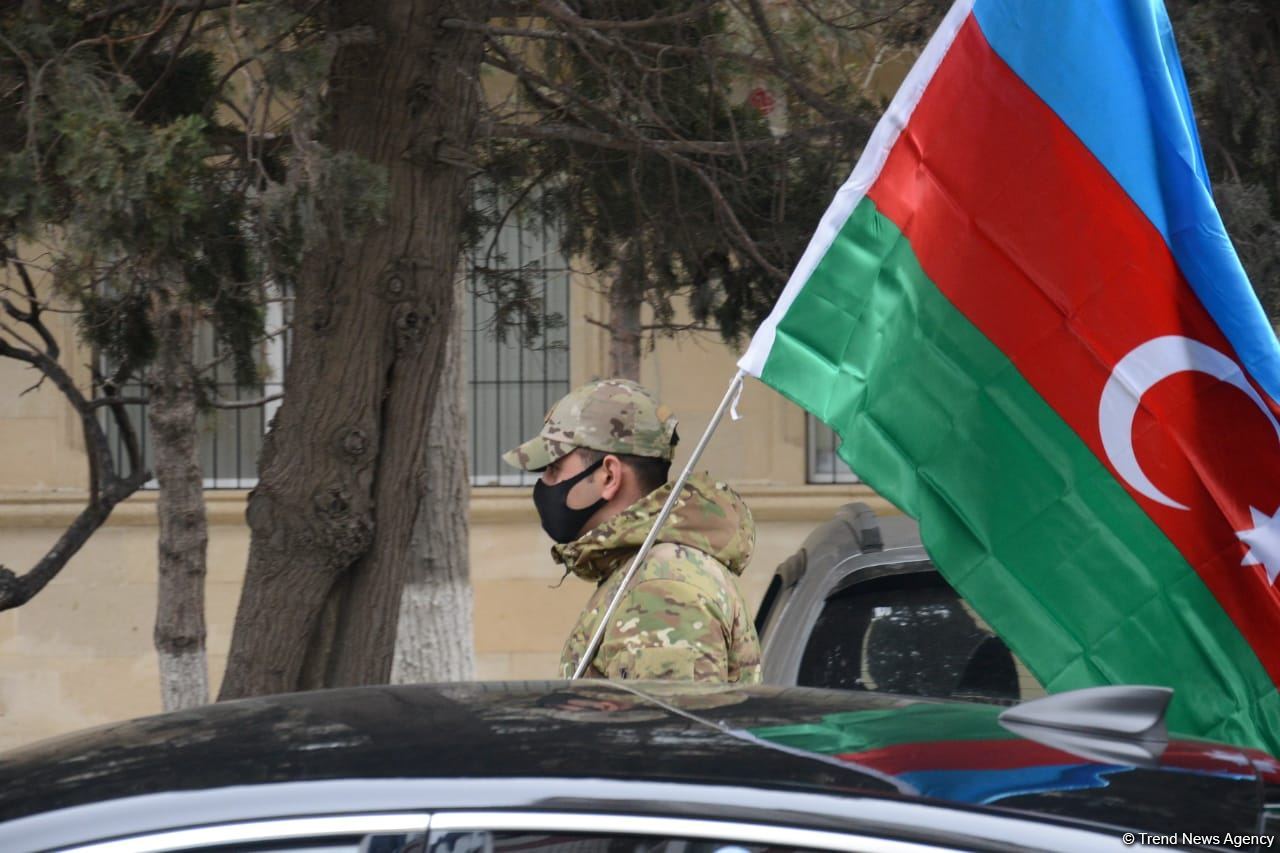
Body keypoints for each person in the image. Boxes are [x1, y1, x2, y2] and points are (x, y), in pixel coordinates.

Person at [503, 378, 762, 683]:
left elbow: (665, 728)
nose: (545, 483)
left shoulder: (662, 586)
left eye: (553, 468)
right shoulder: (644, 569)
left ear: (609, 476)